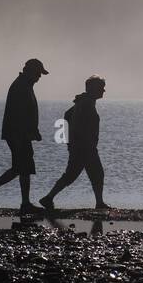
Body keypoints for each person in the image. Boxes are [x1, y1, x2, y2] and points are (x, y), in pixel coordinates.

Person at [0, 58, 48, 213]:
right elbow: (18, 115)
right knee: (23, 168)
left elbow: (26, 113)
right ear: (30, 71)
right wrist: (24, 135)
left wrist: (34, 131)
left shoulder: (25, 84)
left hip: (20, 134)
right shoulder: (21, 86)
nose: (39, 77)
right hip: (18, 134)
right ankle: (24, 204)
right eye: (38, 73)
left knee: (20, 168)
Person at [39, 75, 112, 214]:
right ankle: (99, 203)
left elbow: (67, 115)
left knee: (79, 174)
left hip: (82, 146)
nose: (104, 91)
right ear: (93, 89)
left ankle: (49, 198)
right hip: (84, 146)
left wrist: (69, 141)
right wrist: (74, 141)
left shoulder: (85, 101)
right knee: (91, 173)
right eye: (101, 88)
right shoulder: (86, 103)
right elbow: (73, 120)